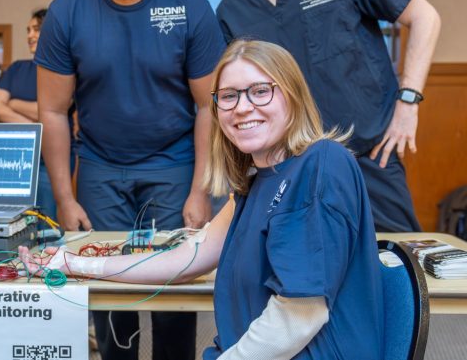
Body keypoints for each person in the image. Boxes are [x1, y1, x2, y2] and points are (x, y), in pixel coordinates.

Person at [21, 39, 383, 360]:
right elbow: (186, 259)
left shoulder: (321, 164)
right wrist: (74, 264)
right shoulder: (254, 182)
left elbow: (299, 316)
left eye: (260, 91)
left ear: (293, 94)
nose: (242, 107)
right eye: (229, 96)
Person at [35, 0, 226, 360]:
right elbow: (53, 111)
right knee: (109, 292)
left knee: (173, 294)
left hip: (174, 166)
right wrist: (64, 196)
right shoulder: (66, 10)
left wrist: (201, 190)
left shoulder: (188, 4)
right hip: (100, 169)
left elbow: (211, 105)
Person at [211, 0, 441, 232]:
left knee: (397, 267)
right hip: (291, 170)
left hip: (369, 157)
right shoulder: (233, 10)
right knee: (305, 279)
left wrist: (409, 102)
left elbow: (425, 17)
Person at [0, 9, 74, 224]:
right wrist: (37, 126)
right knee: (14, 221)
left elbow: (52, 109)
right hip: (14, 160)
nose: (30, 35)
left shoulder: (63, 69)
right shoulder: (18, 68)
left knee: (48, 222)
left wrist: (14, 103)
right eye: (28, 30)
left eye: (36, 29)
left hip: (50, 160)